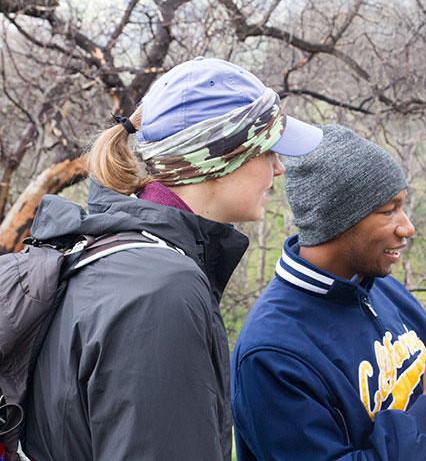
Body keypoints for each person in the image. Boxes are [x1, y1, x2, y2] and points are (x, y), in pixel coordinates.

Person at [23, 57, 322, 461]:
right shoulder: (160, 292)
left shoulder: (110, 250)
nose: (280, 167)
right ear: (216, 158)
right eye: (267, 150)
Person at [231, 124, 426, 461]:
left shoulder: (378, 287)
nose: (408, 227)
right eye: (389, 211)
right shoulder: (272, 355)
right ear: (338, 220)